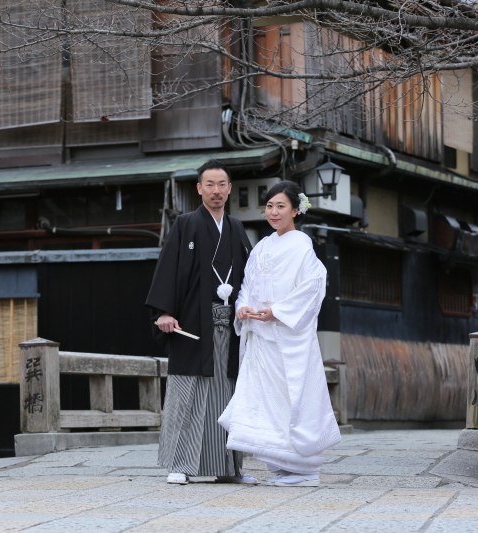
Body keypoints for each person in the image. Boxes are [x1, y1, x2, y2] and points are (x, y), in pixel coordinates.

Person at [218, 181, 341, 487]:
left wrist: (280, 311)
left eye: (280, 206)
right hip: (261, 334)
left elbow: (313, 286)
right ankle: (282, 465)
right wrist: (243, 306)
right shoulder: (262, 245)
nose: (273, 212)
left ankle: (305, 468)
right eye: (270, 206)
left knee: (291, 397)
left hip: (288, 337)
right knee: (266, 400)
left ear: (296, 210)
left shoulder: (302, 244)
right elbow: (248, 283)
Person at [146, 159, 257, 485]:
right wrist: (163, 312)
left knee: (229, 395)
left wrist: (253, 307)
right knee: (187, 394)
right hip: (194, 327)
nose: (216, 191)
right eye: (210, 184)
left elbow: (252, 277)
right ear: (199, 188)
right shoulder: (185, 224)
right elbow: (167, 270)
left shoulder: (237, 228)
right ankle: (179, 464)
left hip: (230, 330)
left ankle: (228, 467)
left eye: (222, 184)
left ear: (230, 188)